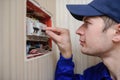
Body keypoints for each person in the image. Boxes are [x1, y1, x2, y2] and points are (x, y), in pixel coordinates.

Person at [45, 0, 120, 80]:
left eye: (87, 23)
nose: (78, 31)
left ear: (117, 33)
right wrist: (66, 54)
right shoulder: (95, 74)